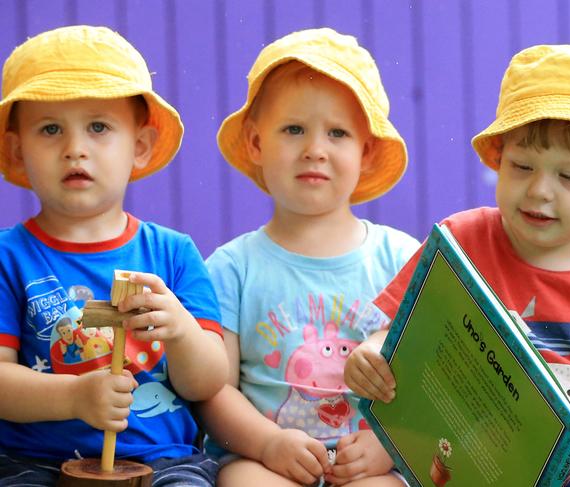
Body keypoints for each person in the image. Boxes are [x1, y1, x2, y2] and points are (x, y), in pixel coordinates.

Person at [344, 44, 570, 418]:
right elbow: (399, 335)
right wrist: (373, 354)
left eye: (569, 177)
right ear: (500, 159)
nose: (538, 190)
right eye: (521, 166)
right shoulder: (462, 240)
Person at [0, 25, 229, 486]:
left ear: (139, 146)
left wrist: (181, 333)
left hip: (163, 461)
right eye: (50, 129)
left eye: (99, 126)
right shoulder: (9, 257)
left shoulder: (173, 254)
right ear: (17, 150)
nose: (74, 148)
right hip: (33, 462)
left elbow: (207, 383)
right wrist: (75, 397)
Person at [196, 28, 419, 487]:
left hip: (370, 463)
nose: (315, 149)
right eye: (293, 129)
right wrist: (265, 444)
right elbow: (214, 389)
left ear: (366, 150)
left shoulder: (401, 258)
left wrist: (389, 445)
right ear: (256, 144)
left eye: (337, 133)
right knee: (242, 482)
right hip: (266, 458)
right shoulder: (232, 268)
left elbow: (429, 380)